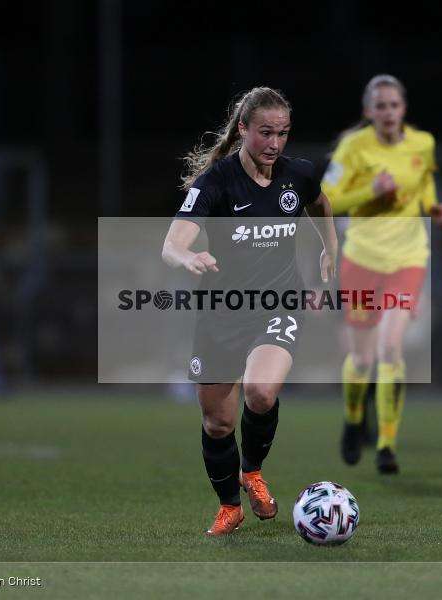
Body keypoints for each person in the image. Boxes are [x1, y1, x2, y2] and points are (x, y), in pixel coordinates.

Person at [162, 87, 338, 536]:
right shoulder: (216, 181)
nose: (275, 144)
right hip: (222, 312)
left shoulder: (297, 175)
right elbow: (173, 243)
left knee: (260, 392)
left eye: (282, 133)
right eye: (265, 133)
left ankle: (252, 471)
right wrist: (189, 258)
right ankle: (229, 506)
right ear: (243, 129)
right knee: (217, 421)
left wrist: (329, 247)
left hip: (277, 303)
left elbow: (319, 202)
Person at [320, 74, 442, 474]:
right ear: (368, 112)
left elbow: (424, 178)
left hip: (408, 258)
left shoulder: (422, 143)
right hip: (362, 259)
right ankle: (352, 418)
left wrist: (432, 206)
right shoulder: (353, 147)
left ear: (403, 109)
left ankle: (386, 445)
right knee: (361, 359)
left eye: (394, 105)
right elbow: (327, 199)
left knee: (390, 350)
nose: (389, 112)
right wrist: (370, 191)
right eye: (381, 106)